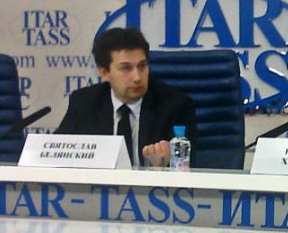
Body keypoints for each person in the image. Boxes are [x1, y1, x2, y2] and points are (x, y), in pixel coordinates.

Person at [55, 26, 198, 166]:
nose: (137, 77)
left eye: (142, 66)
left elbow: (191, 162)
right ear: (104, 73)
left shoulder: (174, 105)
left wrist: (169, 161)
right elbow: (57, 153)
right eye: (126, 68)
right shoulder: (84, 103)